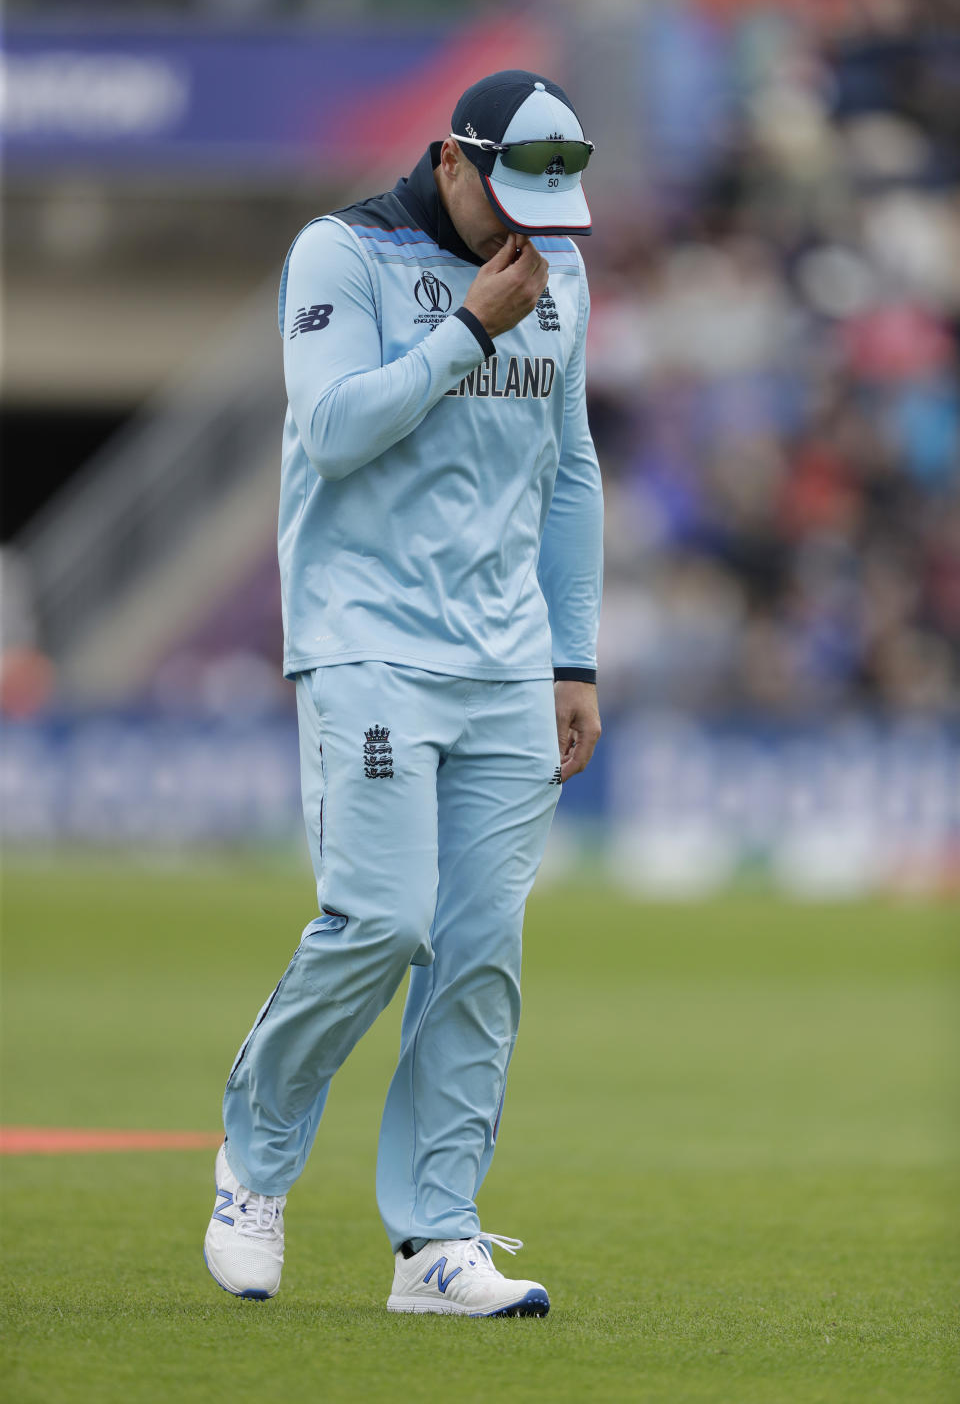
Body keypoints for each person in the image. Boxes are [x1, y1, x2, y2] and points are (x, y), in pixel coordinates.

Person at [203, 69, 603, 1318]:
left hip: (505, 663)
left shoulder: (561, 274)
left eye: (555, 207)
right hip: (367, 640)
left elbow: (571, 469)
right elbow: (332, 429)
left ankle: (436, 1244)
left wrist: (573, 657)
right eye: (512, 196)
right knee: (381, 921)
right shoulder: (339, 255)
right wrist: (469, 328)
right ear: (449, 160)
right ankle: (253, 1165)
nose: (534, 232)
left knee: (480, 952)